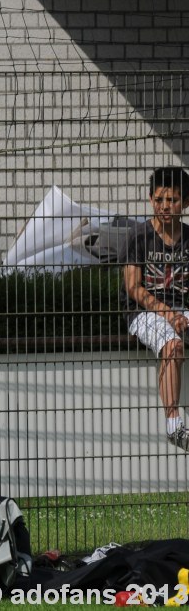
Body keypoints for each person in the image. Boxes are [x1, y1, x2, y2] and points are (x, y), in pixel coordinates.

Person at [120, 166, 189, 452]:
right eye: (159, 199)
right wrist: (168, 314)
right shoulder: (138, 236)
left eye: (172, 200)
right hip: (143, 313)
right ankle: (174, 425)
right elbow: (133, 288)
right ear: (150, 199)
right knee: (172, 345)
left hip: (183, 309)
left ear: (185, 202)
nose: (165, 206)